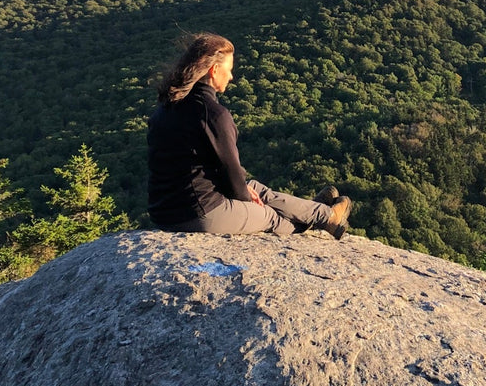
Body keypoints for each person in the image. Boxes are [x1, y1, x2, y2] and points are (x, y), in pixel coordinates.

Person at [147, 32, 352, 238]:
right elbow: (231, 170)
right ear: (214, 70)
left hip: (165, 211)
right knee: (270, 216)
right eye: (229, 69)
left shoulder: (166, 108)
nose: (231, 76)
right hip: (200, 213)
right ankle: (319, 220)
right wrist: (245, 199)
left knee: (256, 188)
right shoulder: (214, 115)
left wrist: (243, 192)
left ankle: (321, 214)